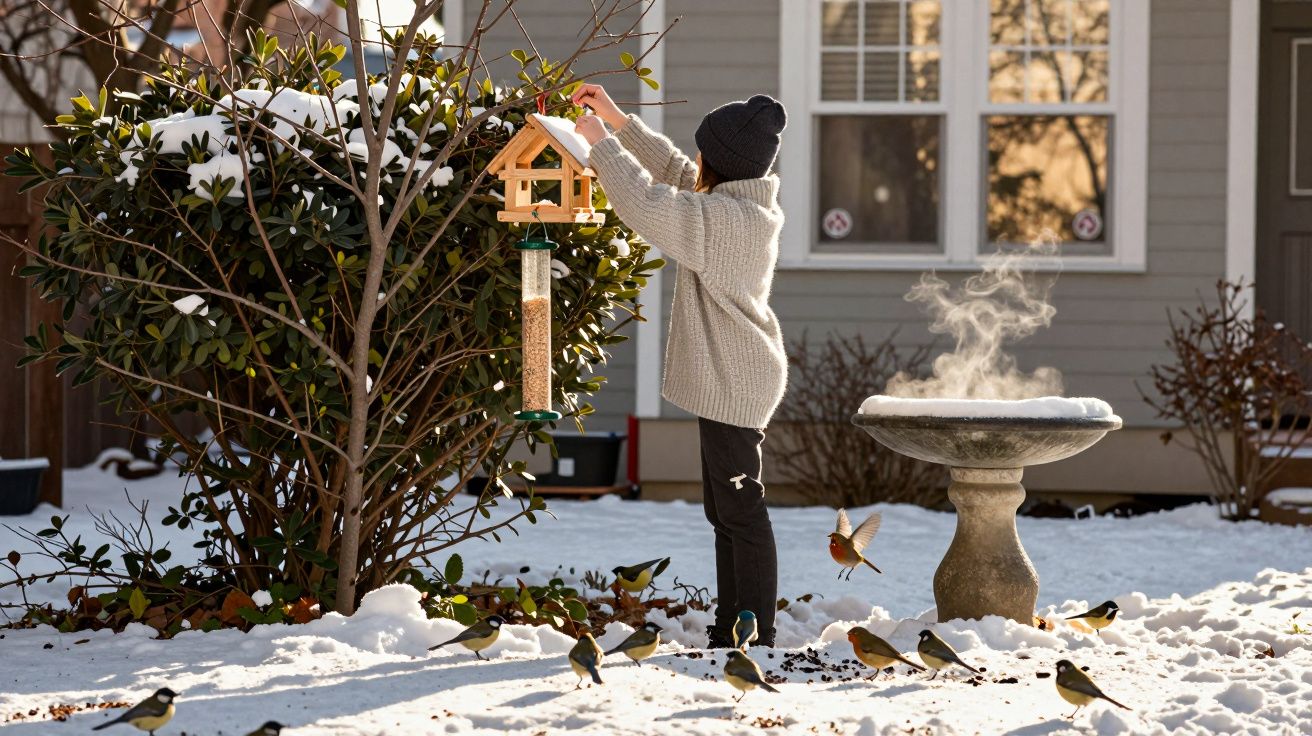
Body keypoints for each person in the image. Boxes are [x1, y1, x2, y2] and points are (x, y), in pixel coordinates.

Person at [572, 85, 788, 647]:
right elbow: (674, 173)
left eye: (703, 152)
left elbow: (649, 204)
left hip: (736, 381)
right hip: (734, 376)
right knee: (726, 512)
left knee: (741, 512)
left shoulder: (727, 222)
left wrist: (602, 147)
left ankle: (757, 634)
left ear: (721, 164)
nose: (694, 159)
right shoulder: (734, 205)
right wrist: (618, 121)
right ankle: (732, 627)